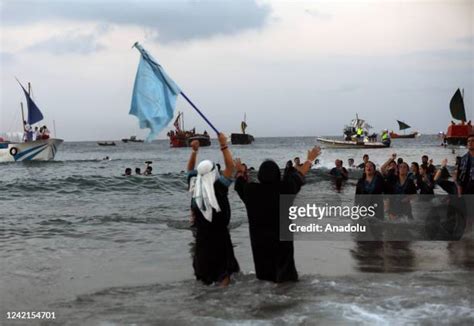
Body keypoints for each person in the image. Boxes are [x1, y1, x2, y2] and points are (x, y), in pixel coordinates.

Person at [234, 146, 321, 283]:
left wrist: (239, 170)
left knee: (265, 280)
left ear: (259, 175)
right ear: (277, 174)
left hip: (260, 243)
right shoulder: (285, 188)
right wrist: (310, 159)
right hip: (283, 243)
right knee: (286, 279)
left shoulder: (251, 191)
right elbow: (300, 175)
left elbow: (239, 182)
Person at [187, 134, 239, 286]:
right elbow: (231, 167)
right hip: (220, 237)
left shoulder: (195, 187)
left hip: (202, 239)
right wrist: (223, 145)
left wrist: (194, 152)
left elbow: (190, 170)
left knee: (205, 276)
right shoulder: (219, 188)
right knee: (223, 274)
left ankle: (207, 304)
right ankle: (222, 303)